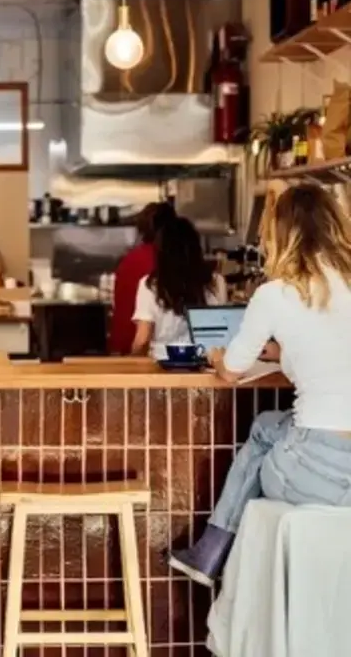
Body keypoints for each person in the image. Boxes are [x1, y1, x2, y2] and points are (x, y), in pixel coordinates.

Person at [169, 183, 351, 587]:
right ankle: (210, 552)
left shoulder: (274, 294)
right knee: (271, 422)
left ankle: (211, 549)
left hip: (315, 473)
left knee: (263, 431)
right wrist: (283, 353)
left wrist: (217, 357)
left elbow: (232, 371)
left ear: (281, 234)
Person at [131, 216, 227, 359]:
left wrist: (132, 360)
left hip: (162, 365)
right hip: (205, 364)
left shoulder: (150, 285)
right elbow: (221, 334)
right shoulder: (216, 282)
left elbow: (142, 340)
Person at [109, 202, 176, 354]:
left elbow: (120, 308)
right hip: (147, 349)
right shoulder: (170, 260)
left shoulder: (130, 260)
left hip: (126, 344)